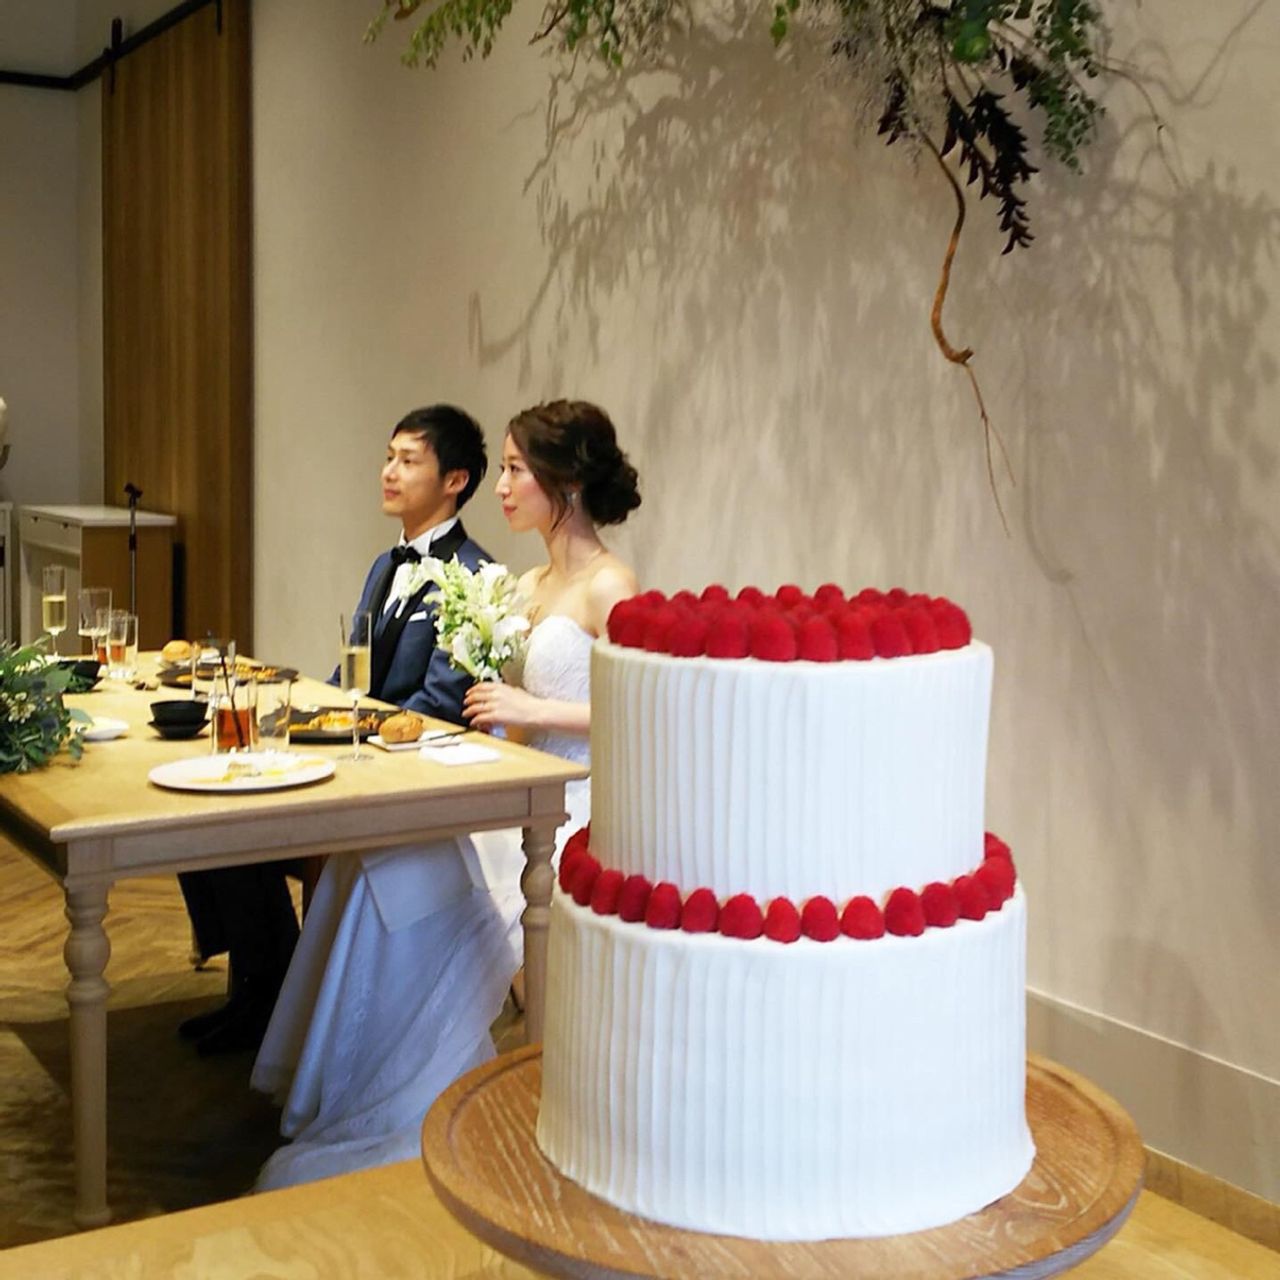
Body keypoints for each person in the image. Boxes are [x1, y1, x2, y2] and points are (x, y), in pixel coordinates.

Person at [250, 399, 640, 1188]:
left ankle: (500, 1089)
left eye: (516, 470)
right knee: (387, 860)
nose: (502, 487)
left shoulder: (611, 586)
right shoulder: (525, 584)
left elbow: (640, 708)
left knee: (427, 871)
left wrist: (533, 713)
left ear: (563, 482)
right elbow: (496, 709)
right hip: (512, 784)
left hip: (579, 803)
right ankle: (381, 1080)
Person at [176, 404, 491, 1055]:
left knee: (243, 829)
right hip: (352, 754)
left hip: (405, 779)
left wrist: (346, 733)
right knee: (211, 805)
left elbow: (438, 705)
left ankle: (274, 998)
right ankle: (263, 993)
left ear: (455, 480)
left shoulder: (475, 576)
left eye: (408, 460)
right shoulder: (384, 565)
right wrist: (291, 715)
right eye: (388, 457)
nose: (389, 472)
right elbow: (349, 678)